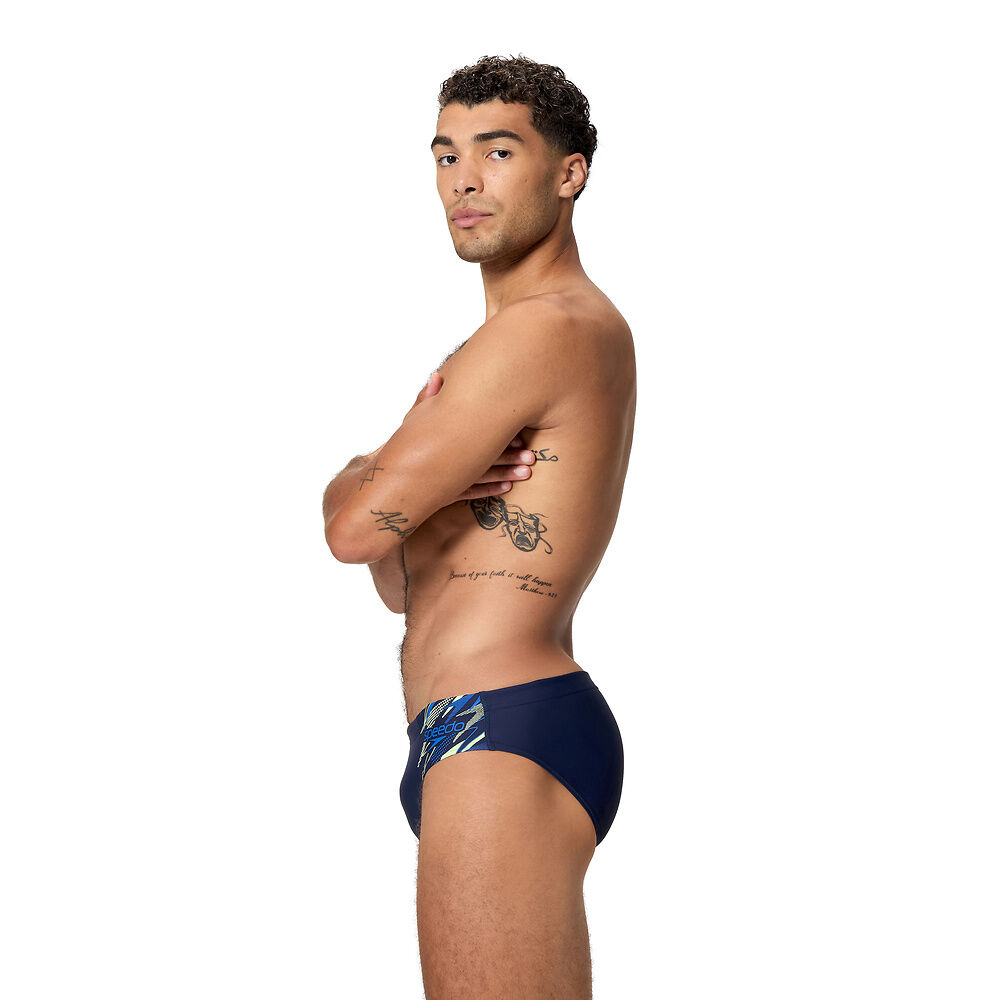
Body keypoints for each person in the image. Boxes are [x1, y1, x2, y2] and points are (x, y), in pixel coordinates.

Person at [322, 54, 636, 999]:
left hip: (502, 725)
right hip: (469, 728)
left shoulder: (545, 329)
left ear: (569, 173)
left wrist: (367, 472)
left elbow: (352, 530)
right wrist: (393, 485)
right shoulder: (499, 345)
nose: (463, 179)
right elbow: (398, 578)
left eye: (498, 152)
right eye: (446, 154)